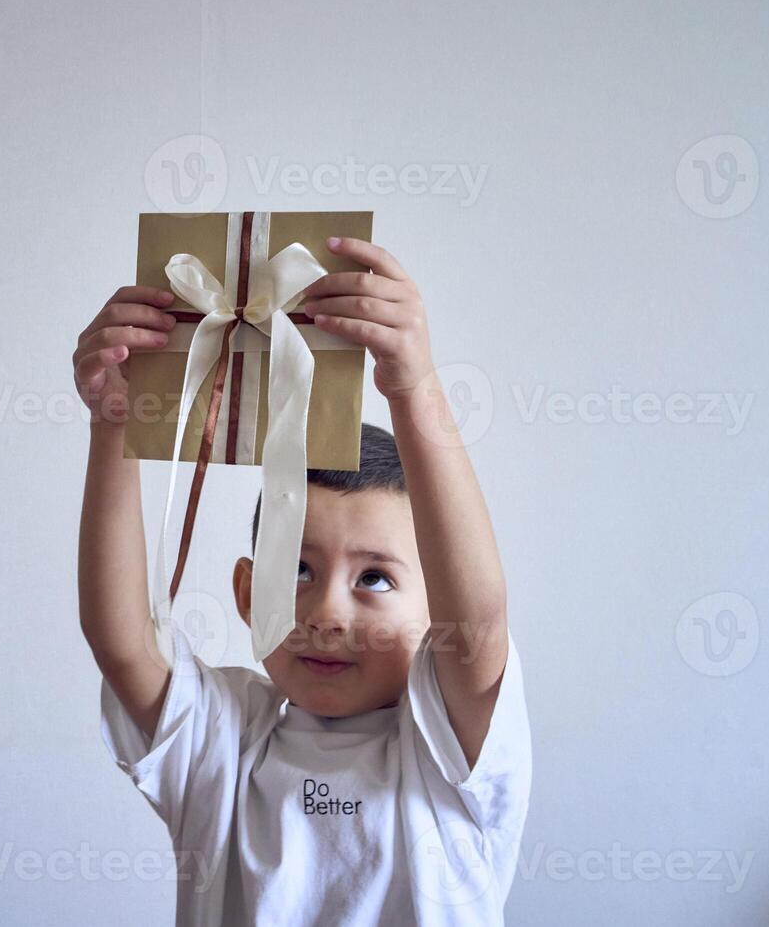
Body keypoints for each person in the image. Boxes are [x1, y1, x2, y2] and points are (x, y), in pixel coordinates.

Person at [73, 236, 531, 924]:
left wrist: (413, 387)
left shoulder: (448, 749)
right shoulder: (223, 741)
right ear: (247, 591)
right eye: (298, 569)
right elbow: (121, 642)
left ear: (434, 607)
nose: (325, 611)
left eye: (375, 578)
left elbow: (479, 624)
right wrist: (115, 423)